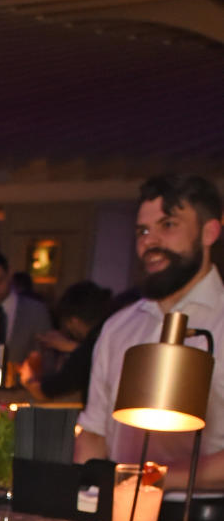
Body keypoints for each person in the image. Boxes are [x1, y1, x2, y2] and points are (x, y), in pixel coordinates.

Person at [75, 173, 224, 495]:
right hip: (119, 510)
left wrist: (153, 478)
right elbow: (94, 432)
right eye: (143, 230)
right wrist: (87, 503)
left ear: (209, 231)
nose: (150, 241)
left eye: (168, 225)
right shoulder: (119, 327)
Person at [18, 280, 112, 402]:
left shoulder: (84, 354)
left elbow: (46, 391)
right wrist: (71, 347)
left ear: (74, 321)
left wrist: (28, 378)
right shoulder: (114, 334)